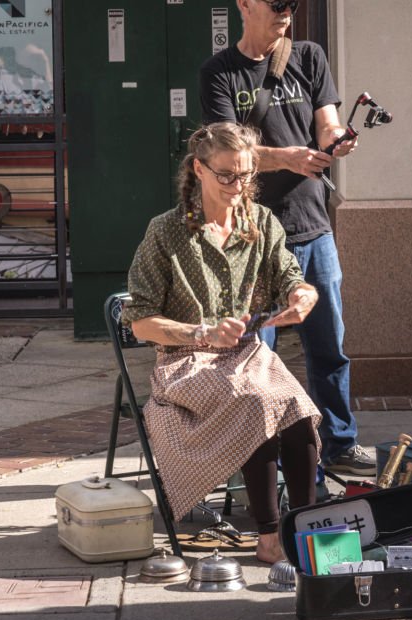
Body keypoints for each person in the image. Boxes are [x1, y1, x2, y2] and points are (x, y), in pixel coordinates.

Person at [124, 122, 321, 563]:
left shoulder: (261, 223)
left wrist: (302, 295)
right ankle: (270, 537)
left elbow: (290, 275)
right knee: (254, 403)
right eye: (227, 175)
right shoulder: (167, 232)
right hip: (184, 364)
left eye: (247, 175)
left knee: (298, 409)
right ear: (199, 169)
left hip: (244, 356)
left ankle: (305, 529)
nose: (238, 185)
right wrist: (201, 332)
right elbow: (139, 321)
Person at [199, 0, 374, 476]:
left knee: (329, 346)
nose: (285, 12)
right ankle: (263, 455)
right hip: (251, 234)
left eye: (292, 4)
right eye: (276, 4)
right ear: (245, 4)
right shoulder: (219, 72)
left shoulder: (309, 56)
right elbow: (227, 151)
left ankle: (339, 440)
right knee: (256, 356)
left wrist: (338, 140)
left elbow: (328, 122)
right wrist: (289, 158)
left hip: (313, 225)